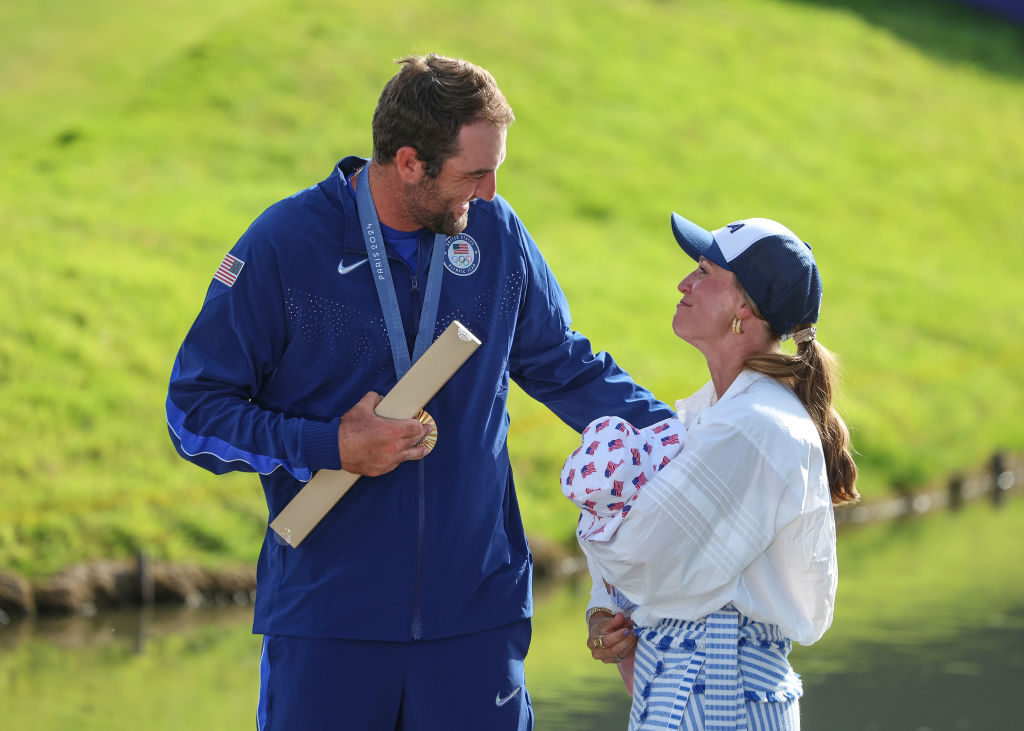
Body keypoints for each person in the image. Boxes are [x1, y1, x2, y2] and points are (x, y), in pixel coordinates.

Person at [165, 54, 674, 730]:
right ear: (409, 162)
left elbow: (567, 366)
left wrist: (696, 437)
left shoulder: (495, 234)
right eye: (474, 173)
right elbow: (194, 411)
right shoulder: (285, 245)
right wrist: (331, 444)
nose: (490, 192)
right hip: (330, 624)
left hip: (476, 622)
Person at [562, 214, 859, 729]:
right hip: (684, 688)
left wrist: (600, 541)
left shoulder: (750, 428)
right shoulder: (712, 415)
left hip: (722, 694)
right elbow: (646, 564)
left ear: (744, 307)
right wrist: (600, 615)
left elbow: (641, 560)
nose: (684, 283)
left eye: (704, 271)